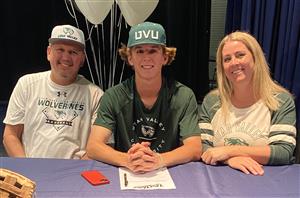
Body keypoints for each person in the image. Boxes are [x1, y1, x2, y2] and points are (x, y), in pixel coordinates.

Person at [86, 21, 202, 173]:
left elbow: (194, 148)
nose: (146, 57)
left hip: (168, 173)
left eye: (153, 51)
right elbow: (93, 146)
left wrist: (158, 160)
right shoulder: (113, 95)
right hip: (126, 173)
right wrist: (127, 160)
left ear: (165, 57)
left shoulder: (183, 95)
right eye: (139, 51)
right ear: (130, 58)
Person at [199, 31, 297, 175]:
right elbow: (202, 146)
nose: (234, 63)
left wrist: (229, 151)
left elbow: (283, 151)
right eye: (227, 59)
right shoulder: (212, 101)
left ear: (256, 58)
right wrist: (229, 160)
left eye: (240, 55)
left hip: (265, 180)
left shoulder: (280, 101)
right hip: (219, 182)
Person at [3, 24, 103, 159]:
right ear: (49, 52)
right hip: (32, 168)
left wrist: (76, 174)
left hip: (75, 172)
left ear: (82, 59)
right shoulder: (27, 84)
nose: (66, 58)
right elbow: (10, 136)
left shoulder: (95, 95)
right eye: (60, 50)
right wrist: (27, 167)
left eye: (73, 52)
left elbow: (98, 147)